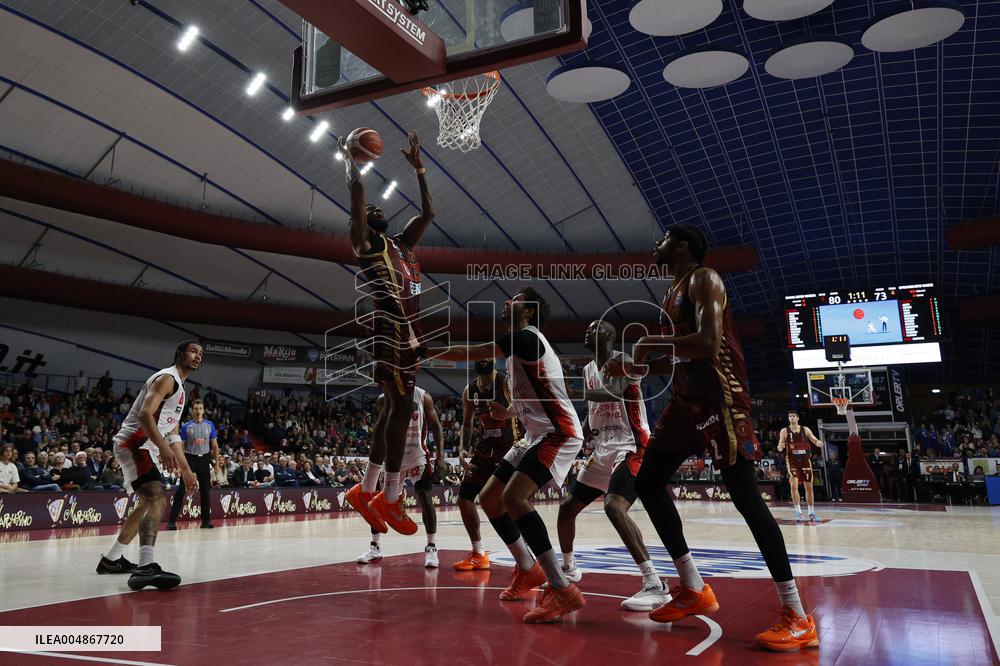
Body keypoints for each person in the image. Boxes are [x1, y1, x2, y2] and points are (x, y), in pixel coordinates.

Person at [621, 225, 818, 652]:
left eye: (664, 238)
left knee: (746, 498)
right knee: (648, 482)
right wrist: (643, 366)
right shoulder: (671, 292)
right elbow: (683, 356)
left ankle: (798, 615)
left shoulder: (704, 278)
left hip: (721, 400)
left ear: (682, 246)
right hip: (685, 402)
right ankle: (693, 586)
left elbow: (708, 345)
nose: (656, 244)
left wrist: (648, 345)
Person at [431, 288, 586, 624]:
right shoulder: (520, 351)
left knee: (515, 497)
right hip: (534, 434)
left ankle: (562, 588)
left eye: (514, 299)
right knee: (490, 499)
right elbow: (537, 391)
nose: (507, 302)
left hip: (558, 432)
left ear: (528, 312)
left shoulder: (527, 338)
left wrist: (424, 351)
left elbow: (476, 351)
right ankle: (528, 569)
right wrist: (510, 412)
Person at [340, 130, 436, 536]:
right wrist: (351, 161)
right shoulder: (365, 241)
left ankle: (365, 489)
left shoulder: (401, 244)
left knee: (391, 410)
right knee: (401, 410)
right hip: (391, 332)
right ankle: (391, 496)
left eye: (379, 207)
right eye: (369, 209)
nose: (375, 207)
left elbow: (428, 213)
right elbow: (357, 195)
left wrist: (419, 169)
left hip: (408, 331)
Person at [557, 319, 669, 612]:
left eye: (595, 328)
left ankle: (655, 583)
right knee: (567, 508)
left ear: (610, 337)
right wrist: (577, 435)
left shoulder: (624, 362)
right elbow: (594, 409)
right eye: (588, 327)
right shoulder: (587, 370)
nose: (588, 330)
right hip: (602, 450)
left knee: (614, 507)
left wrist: (572, 393)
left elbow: (612, 392)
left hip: (630, 447)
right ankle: (569, 568)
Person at [96, 341, 201, 592]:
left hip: (144, 446)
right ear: (180, 354)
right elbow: (145, 414)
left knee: (147, 503)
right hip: (135, 444)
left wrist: (186, 470)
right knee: (156, 499)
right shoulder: (167, 378)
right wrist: (162, 447)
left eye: (201, 354)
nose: (198, 356)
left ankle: (111, 560)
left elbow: (173, 434)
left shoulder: (180, 388)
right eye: (193, 351)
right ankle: (145, 567)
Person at [357, 388, 445, 568]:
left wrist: (441, 457)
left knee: (425, 496)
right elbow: (380, 431)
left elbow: (436, 426)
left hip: (417, 455)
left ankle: (431, 547)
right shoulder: (383, 399)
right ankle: (375, 547)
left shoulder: (423, 397)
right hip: (392, 458)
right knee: (379, 501)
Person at [452, 359, 517, 572]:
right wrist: (463, 449)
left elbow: (523, 408)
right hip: (485, 449)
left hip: (509, 449)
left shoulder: (506, 382)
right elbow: (467, 423)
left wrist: (507, 413)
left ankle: (525, 556)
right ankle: (479, 553)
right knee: (464, 499)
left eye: (490, 374)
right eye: (484, 375)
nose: (487, 379)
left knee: (509, 503)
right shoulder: (469, 390)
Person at [168, 399, 220, 530]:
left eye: (200, 408)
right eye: (196, 408)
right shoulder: (186, 426)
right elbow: (180, 447)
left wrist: (217, 464)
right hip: (190, 458)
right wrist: (179, 465)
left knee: (205, 490)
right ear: (192, 410)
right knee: (181, 489)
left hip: (204, 459)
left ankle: (206, 521)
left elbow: (215, 446)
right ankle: (172, 521)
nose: (198, 411)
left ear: (203, 410)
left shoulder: (209, 425)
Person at [778, 411, 824, 522]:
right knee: (793, 486)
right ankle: (798, 512)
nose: (791, 417)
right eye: (790, 416)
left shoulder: (805, 429)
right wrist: (780, 447)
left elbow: (814, 439)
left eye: (793, 416)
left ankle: (811, 512)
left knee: (809, 487)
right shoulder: (784, 431)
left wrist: (818, 443)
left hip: (805, 460)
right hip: (792, 461)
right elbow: (780, 444)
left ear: (798, 418)